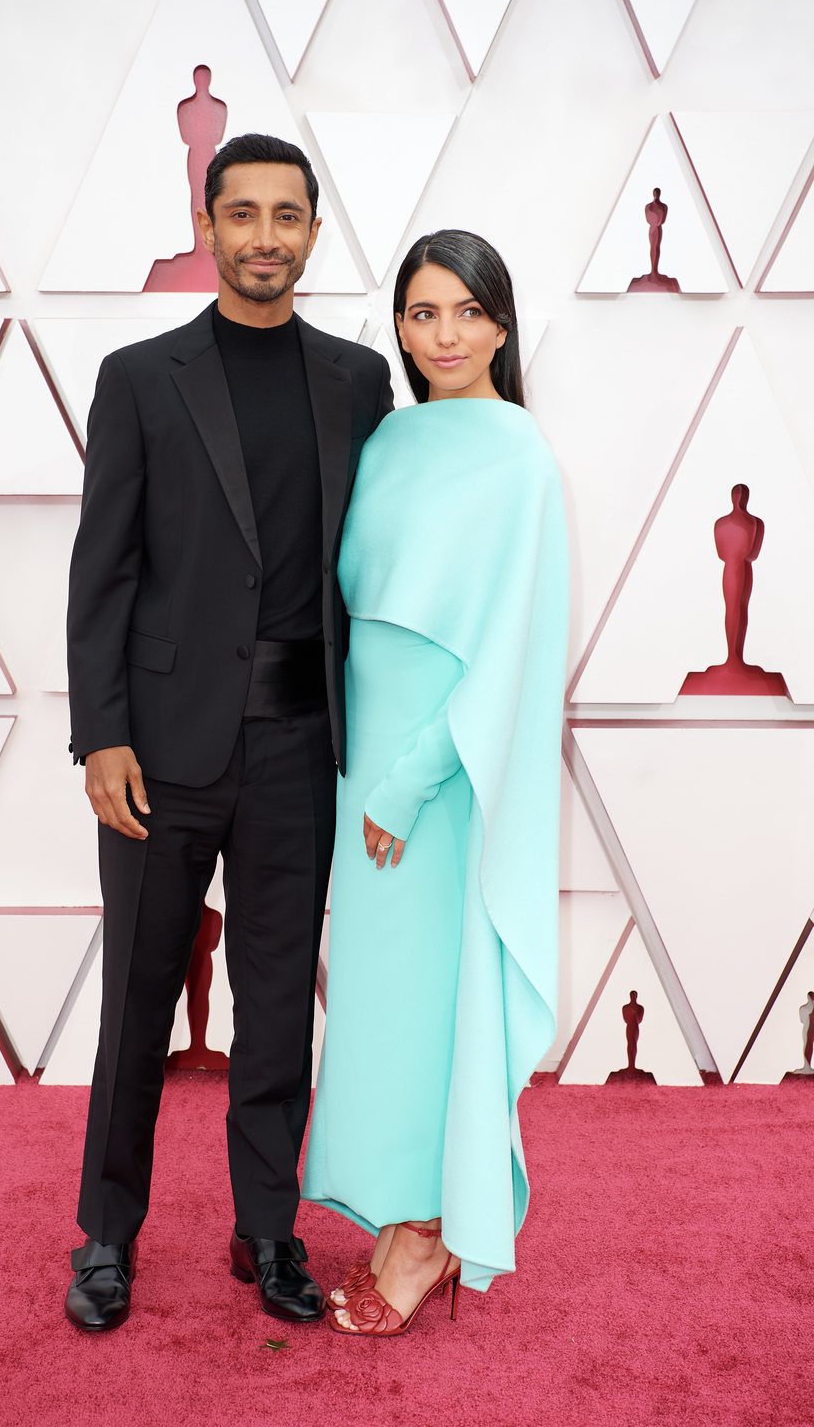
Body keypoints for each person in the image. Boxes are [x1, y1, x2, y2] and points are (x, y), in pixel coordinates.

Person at [63, 133, 393, 1332]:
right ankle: (106, 1234)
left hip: (301, 747)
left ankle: (268, 1231)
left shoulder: (360, 383)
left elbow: (373, 568)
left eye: (287, 216)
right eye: (242, 213)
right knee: (138, 1001)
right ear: (210, 226)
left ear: (313, 231)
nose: (264, 235)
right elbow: (101, 571)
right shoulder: (140, 377)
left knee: (272, 1006)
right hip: (158, 750)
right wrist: (101, 735)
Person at [302, 229, 568, 1337]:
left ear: (503, 322)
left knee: (433, 1002)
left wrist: (407, 785)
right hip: (365, 766)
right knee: (379, 1006)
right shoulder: (389, 441)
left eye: (466, 311)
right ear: (400, 328)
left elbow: (505, 651)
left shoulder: (522, 456)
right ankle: (407, 1207)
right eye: (421, 313)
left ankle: (430, 1235)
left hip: (438, 784)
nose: (444, 334)